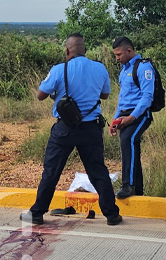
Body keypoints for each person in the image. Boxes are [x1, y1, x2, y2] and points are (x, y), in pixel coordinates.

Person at [20, 33, 122, 226]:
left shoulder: (59, 70)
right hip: (91, 129)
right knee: (98, 171)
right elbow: (105, 94)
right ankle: (111, 214)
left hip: (64, 129)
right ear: (85, 50)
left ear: (67, 51)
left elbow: (41, 95)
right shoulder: (99, 68)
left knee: (51, 171)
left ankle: (37, 213)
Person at [109, 36, 154, 199]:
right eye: (115, 55)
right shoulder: (124, 70)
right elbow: (122, 98)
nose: (117, 58)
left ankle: (128, 185)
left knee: (128, 140)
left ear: (129, 50)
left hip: (140, 114)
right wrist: (115, 119)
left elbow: (147, 97)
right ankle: (138, 190)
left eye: (119, 54)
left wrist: (132, 118)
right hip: (124, 114)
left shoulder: (144, 68)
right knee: (130, 146)